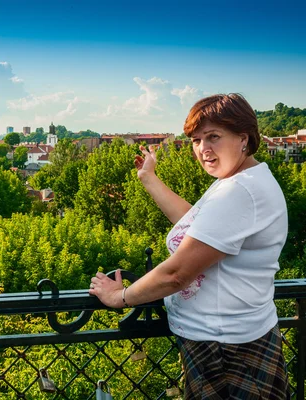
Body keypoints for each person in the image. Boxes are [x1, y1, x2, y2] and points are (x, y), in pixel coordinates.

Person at [89, 93, 290, 399]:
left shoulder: (240, 191)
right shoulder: (239, 180)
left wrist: (121, 297)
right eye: (197, 140)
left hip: (226, 353)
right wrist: (148, 178)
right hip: (233, 341)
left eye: (213, 137)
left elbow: (177, 274)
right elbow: (197, 227)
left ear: (243, 139)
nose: (203, 149)